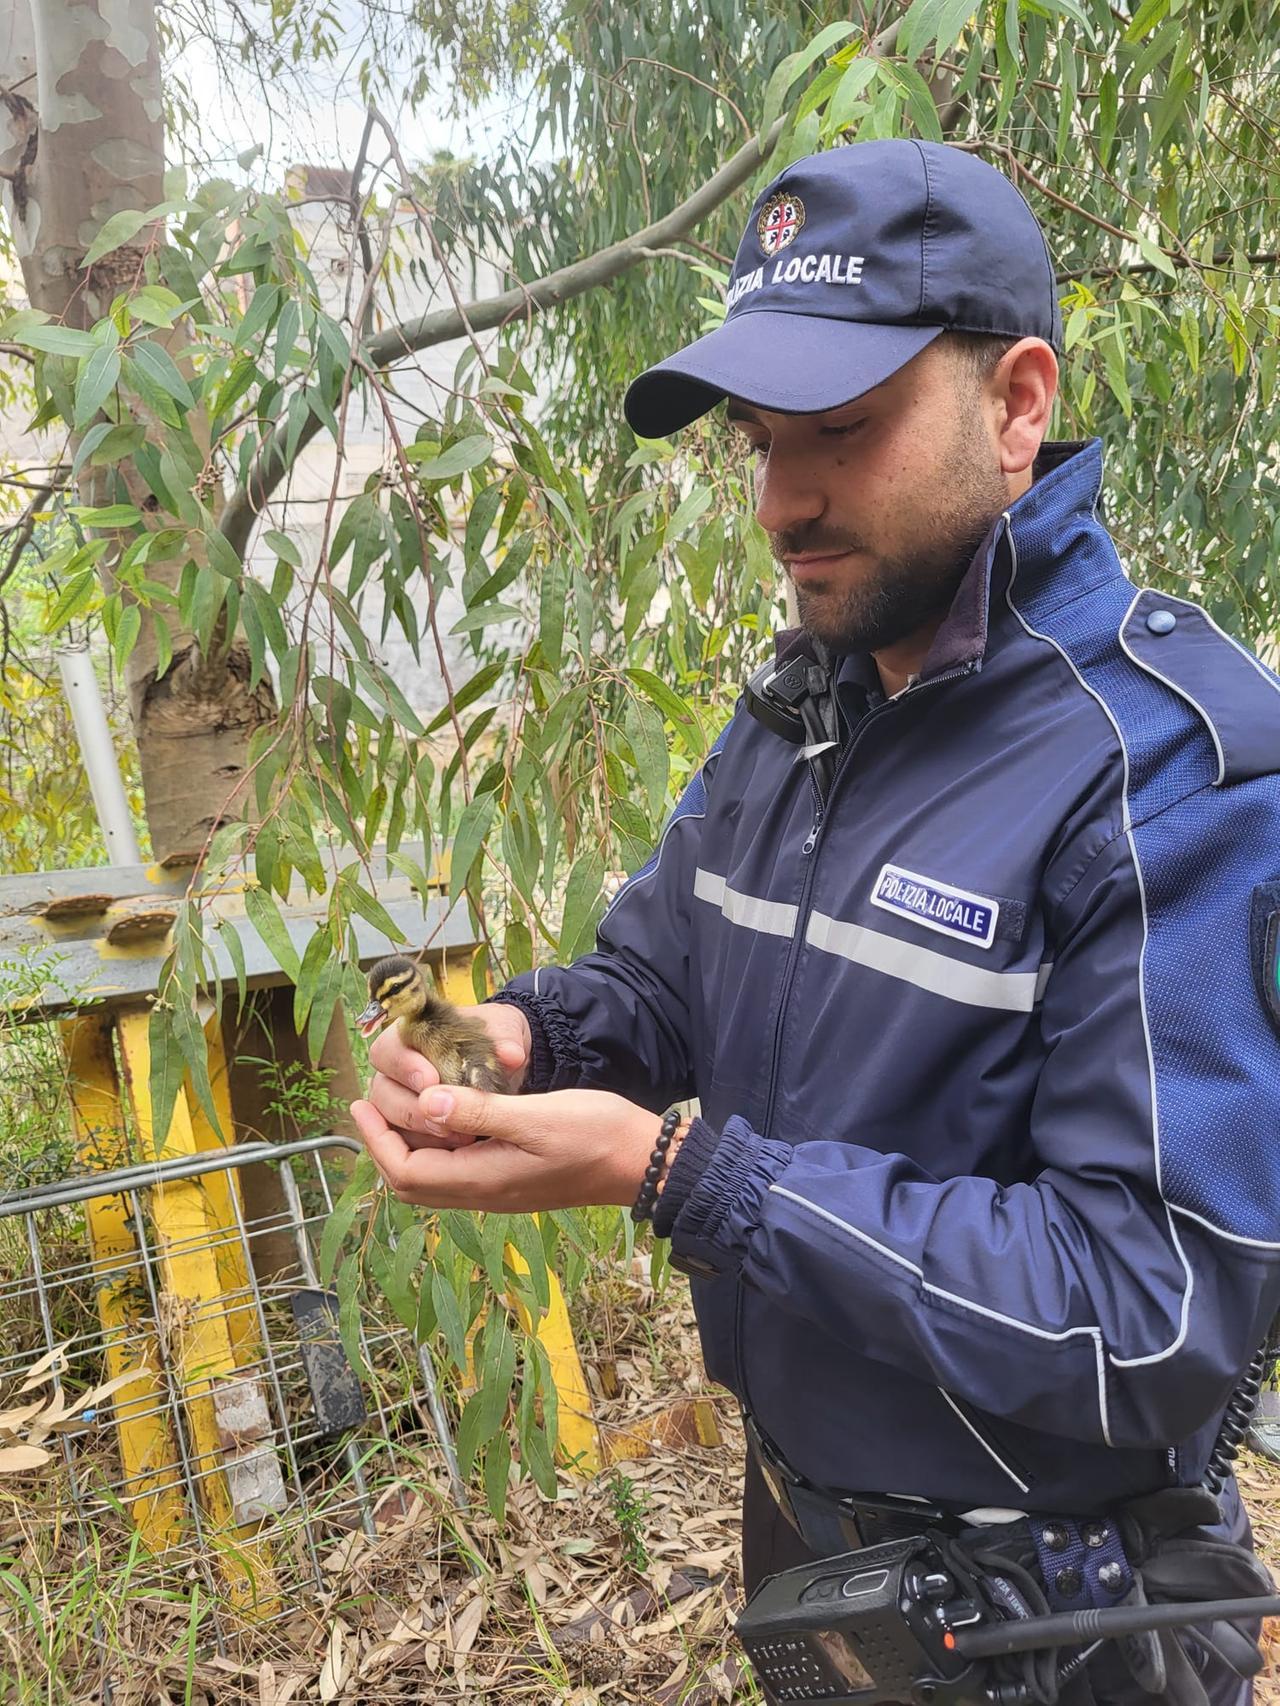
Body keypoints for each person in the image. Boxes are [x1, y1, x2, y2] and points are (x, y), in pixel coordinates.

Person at [352, 140, 1280, 1704]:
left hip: (1059, 1610)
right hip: (809, 1548)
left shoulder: (1174, 769)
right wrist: (515, 1040)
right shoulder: (797, 713)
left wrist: (681, 1173)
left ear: (1018, 402)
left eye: (842, 430)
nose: (784, 503)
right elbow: (658, 981)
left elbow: (1147, 1309)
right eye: (759, 441)